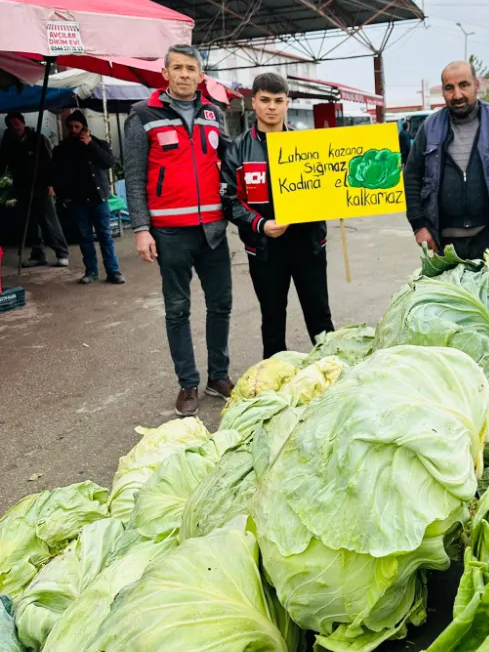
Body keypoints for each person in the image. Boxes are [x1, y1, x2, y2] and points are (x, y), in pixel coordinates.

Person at [124, 45, 233, 417]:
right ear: (165, 73)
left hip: (213, 231)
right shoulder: (142, 115)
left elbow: (230, 164)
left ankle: (218, 376)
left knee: (221, 305)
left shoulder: (214, 114)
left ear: (201, 75)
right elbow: (134, 178)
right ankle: (188, 383)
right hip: (170, 233)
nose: (185, 74)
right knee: (177, 310)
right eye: (178, 68)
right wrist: (141, 228)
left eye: (191, 68)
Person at [222, 72, 334, 358]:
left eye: (278, 100)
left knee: (319, 315)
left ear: (287, 103)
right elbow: (229, 200)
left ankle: (334, 367)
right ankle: (274, 373)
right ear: (253, 103)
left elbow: (328, 189)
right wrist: (260, 224)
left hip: (308, 243)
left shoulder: (308, 145)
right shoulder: (237, 149)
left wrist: (339, 199)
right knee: (272, 318)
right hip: (264, 248)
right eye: (265, 100)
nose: (271, 107)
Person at [404, 60, 489, 260]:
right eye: (449, 88)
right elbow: (412, 176)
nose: (457, 95)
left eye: (464, 85)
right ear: (443, 91)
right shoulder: (430, 127)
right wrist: (419, 225)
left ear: (477, 85)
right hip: (445, 244)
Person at [52, 110, 124, 285]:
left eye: (77, 126)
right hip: (77, 200)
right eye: (70, 126)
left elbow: (108, 163)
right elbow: (56, 173)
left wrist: (90, 144)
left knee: (105, 235)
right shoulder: (62, 149)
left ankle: (113, 271)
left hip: (98, 198)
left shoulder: (98, 144)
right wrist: (63, 196)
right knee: (84, 237)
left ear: (84, 127)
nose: (73, 130)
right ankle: (91, 271)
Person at [0, 111, 69, 268]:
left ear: (23, 123)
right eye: (11, 125)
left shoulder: (38, 139)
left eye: (16, 123)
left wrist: (51, 183)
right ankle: (38, 254)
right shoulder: (9, 141)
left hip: (41, 186)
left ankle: (62, 253)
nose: (14, 127)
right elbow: (3, 162)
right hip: (22, 187)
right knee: (30, 223)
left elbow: (50, 162)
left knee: (49, 221)